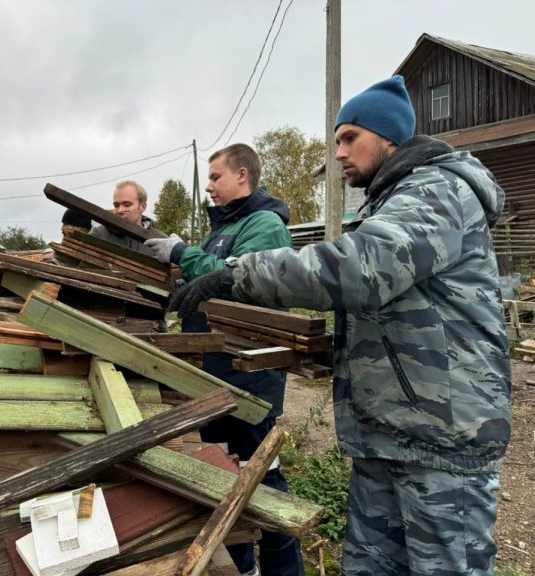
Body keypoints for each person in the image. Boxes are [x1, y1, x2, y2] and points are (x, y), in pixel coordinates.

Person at [169, 76, 512, 576]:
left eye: (350, 137)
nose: (339, 153)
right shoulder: (389, 202)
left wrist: (237, 275)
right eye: (335, 141)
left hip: (443, 442)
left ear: (389, 138)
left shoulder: (438, 191)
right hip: (390, 434)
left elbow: (361, 270)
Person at [145, 143, 304, 576]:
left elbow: (236, 279)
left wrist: (183, 254)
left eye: (215, 177)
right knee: (220, 475)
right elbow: (208, 271)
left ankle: (284, 571)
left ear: (242, 175)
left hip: (248, 379)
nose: (209, 187)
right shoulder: (222, 228)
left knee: (262, 483)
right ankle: (242, 568)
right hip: (213, 375)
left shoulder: (266, 225)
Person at [90, 180, 161, 255]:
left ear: (143, 207)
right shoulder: (100, 234)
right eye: (116, 206)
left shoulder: (161, 241)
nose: (120, 210)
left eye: (127, 205)